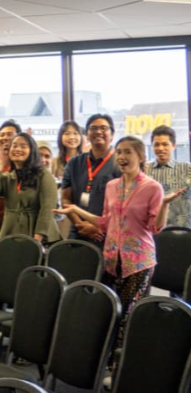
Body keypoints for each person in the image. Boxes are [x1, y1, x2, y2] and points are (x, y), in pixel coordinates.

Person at [55, 136, 172, 374]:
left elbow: (155, 228)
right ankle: (106, 363)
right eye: (119, 151)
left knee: (129, 314)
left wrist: (165, 205)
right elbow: (105, 222)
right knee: (109, 310)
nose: (122, 156)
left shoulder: (152, 187)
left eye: (128, 152)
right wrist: (76, 209)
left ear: (140, 156)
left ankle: (121, 368)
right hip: (111, 258)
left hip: (138, 261)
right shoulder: (112, 186)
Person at [0, 133, 61, 243]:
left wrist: (38, 238)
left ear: (32, 151)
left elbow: (48, 208)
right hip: (12, 233)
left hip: (39, 236)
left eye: (23, 146)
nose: (17, 149)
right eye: (14, 146)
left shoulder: (43, 175)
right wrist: (2, 162)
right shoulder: (9, 177)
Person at [61, 114, 119, 246]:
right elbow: (65, 199)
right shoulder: (74, 163)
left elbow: (124, 205)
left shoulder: (119, 164)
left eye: (103, 128)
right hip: (78, 232)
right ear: (87, 135)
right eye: (93, 128)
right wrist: (80, 225)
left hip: (108, 234)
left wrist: (98, 227)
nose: (98, 131)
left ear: (112, 134)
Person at [147, 125, 191, 228]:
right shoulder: (145, 171)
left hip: (184, 231)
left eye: (165, 144)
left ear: (174, 145)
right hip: (154, 233)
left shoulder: (187, 169)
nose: (160, 148)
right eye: (156, 145)